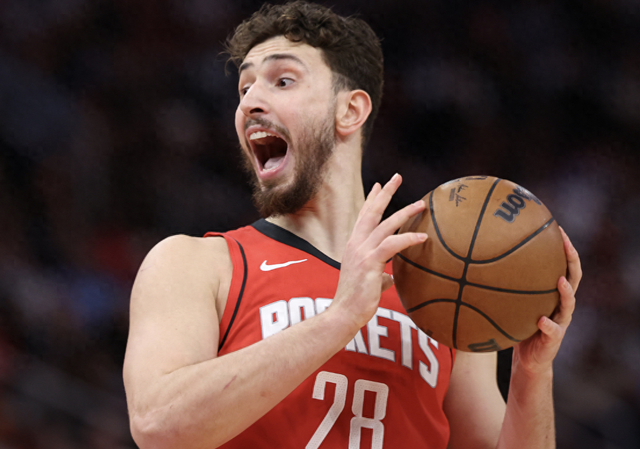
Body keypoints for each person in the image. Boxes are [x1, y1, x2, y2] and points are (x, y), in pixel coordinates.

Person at [122, 2, 582, 448]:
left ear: (350, 111)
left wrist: (531, 374)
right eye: (244, 90)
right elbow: (157, 424)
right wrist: (339, 319)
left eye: (282, 81)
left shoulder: (442, 282)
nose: (250, 104)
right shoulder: (196, 264)